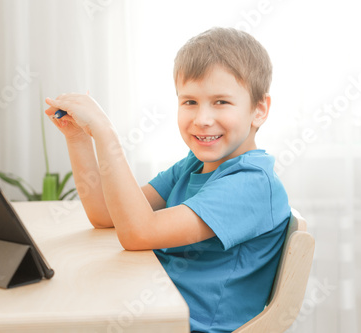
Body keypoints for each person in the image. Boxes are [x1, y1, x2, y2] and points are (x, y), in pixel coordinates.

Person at [45, 27, 291, 333]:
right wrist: (78, 138)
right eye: (189, 102)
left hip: (184, 325)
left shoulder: (251, 184)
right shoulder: (195, 165)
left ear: (259, 109)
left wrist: (106, 133)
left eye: (221, 102)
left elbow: (139, 234)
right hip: (153, 307)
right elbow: (106, 216)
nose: (202, 118)